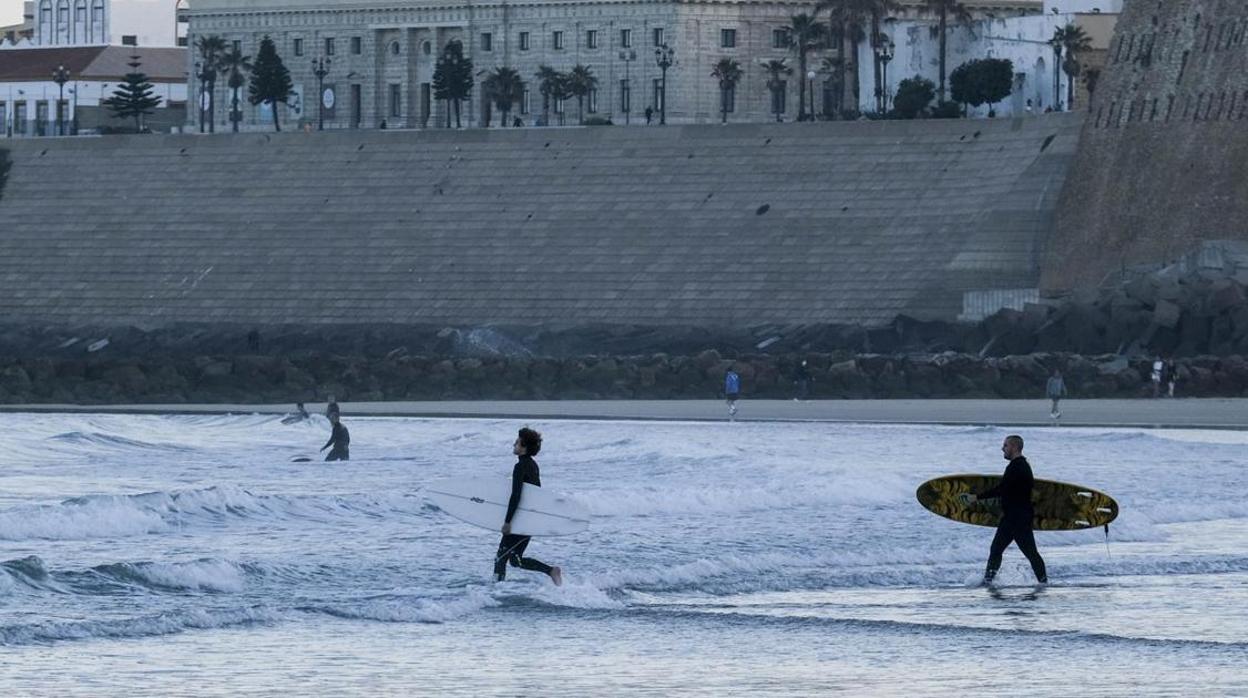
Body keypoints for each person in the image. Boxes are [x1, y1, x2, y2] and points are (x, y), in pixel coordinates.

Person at [960, 435, 1047, 585]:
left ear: (1014, 447)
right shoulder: (1022, 466)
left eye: (1005, 446)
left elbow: (1002, 489)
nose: (1003, 449)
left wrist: (976, 497)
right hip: (1015, 517)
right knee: (999, 550)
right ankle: (989, 581)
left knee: (1025, 552)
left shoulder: (1017, 467)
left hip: (1017, 519)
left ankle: (1043, 582)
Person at [495, 427, 562, 585]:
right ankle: (551, 571)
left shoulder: (520, 467)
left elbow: (516, 495)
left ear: (524, 446)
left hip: (521, 519)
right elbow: (536, 494)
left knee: (501, 557)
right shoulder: (533, 465)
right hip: (530, 517)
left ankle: (494, 592)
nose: (514, 444)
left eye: (517, 442)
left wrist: (507, 521)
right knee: (515, 560)